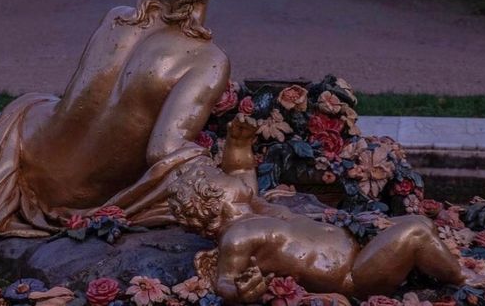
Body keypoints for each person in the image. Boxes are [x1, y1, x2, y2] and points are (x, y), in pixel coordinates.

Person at [0, 0, 239, 237]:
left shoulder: (119, 19)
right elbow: (163, 150)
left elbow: (84, 102)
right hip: (79, 193)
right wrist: (233, 166)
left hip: (28, 146)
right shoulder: (208, 60)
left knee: (29, 108)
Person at [168, 116, 466, 304]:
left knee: (417, 223)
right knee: (414, 231)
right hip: (352, 276)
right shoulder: (238, 235)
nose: (230, 175)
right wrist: (242, 292)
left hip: (358, 250)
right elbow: (224, 281)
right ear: (214, 199)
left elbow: (242, 167)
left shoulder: (253, 207)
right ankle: (465, 281)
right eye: (222, 176)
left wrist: (238, 141)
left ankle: (440, 270)